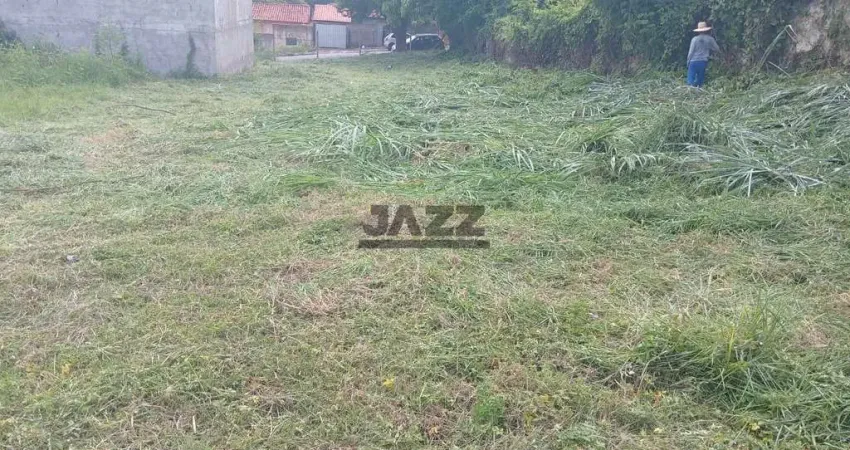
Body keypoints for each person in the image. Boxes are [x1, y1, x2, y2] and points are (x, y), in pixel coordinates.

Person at [687, 22, 720, 88]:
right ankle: (699, 92)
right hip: (703, 61)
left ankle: (690, 92)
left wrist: (688, 61)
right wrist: (709, 48)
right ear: (706, 30)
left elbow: (691, 52)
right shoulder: (710, 39)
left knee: (691, 79)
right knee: (700, 79)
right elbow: (717, 49)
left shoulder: (694, 39)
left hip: (693, 61)